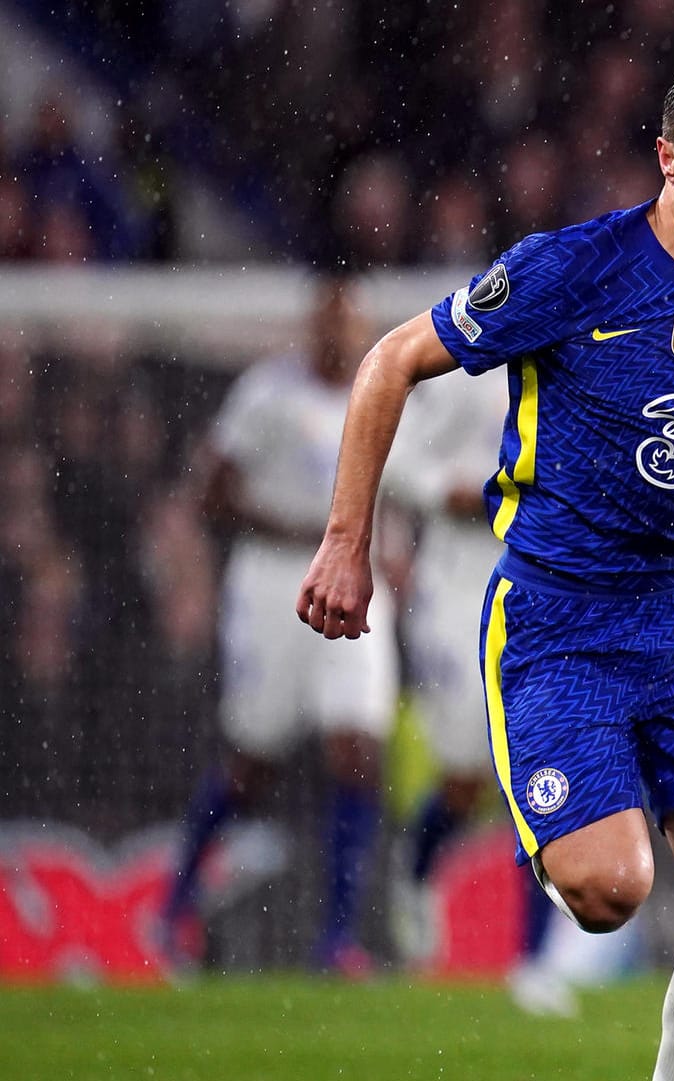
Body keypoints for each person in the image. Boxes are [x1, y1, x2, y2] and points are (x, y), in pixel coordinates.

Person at [296, 58, 674, 1081]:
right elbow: (388, 363)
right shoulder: (573, 268)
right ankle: (569, 813)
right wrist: (347, 542)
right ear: (667, 161)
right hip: (563, 618)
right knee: (610, 893)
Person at [162, 273, 398, 976]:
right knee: (251, 763)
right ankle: (173, 906)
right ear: (311, 328)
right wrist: (305, 530)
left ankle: (337, 940)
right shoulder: (268, 394)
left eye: (349, 322)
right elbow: (212, 494)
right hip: (275, 582)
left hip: (356, 582)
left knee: (359, 751)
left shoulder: (384, 393)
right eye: (328, 321)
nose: (339, 334)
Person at [381, 365, 578, 1015]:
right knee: (465, 778)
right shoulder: (464, 366)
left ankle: (534, 960)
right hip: (457, 586)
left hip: (541, 587)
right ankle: (418, 858)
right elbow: (399, 459)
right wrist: (453, 490)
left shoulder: (578, 362)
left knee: (537, 773)